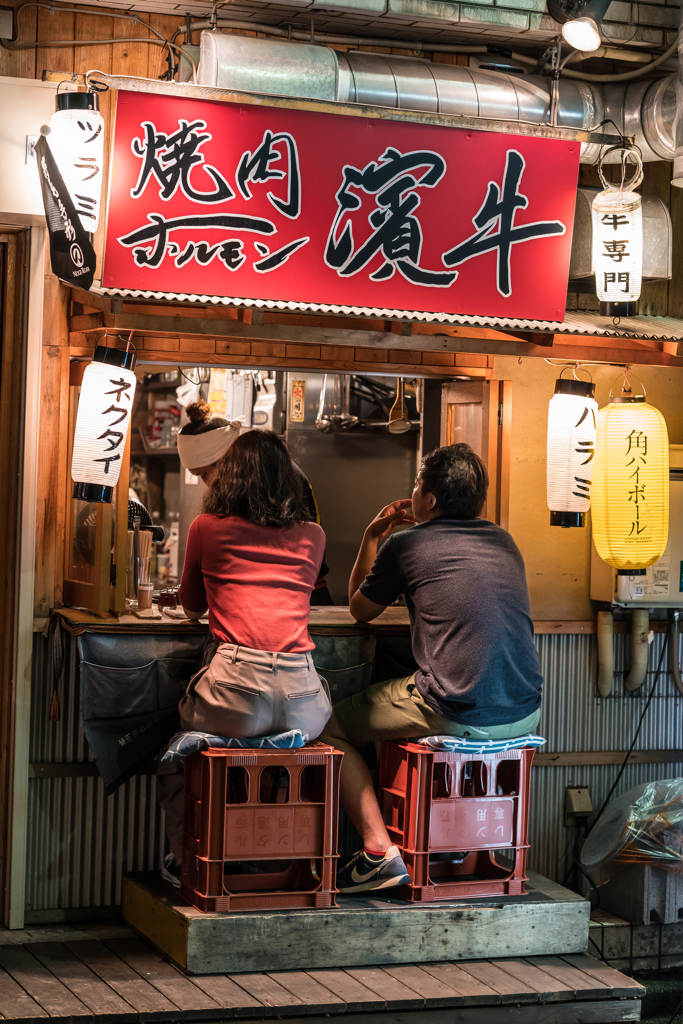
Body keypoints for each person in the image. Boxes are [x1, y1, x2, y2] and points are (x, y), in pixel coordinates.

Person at [320, 442, 543, 894]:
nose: (414, 491)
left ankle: (379, 850)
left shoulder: (407, 542)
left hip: (456, 708)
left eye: (418, 485)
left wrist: (372, 537)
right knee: (399, 709)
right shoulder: (504, 539)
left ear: (430, 500)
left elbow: (360, 609)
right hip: (527, 712)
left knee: (325, 725)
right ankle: (464, 855)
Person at [158, 429, 332, 886]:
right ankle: (283, 864)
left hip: (235, 695)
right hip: (304, 701)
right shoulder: (313, 536)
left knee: (179, 751)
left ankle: (184, 859)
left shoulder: (205, 528)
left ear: (228, 477)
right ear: (288, 480)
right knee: (278, 760)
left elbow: (193, 607)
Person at [177, 399, 333, 603]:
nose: (207, 484)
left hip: (303, 593)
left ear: (225, 462)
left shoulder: (279, 475)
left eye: (205, 474)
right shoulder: (234, 494)